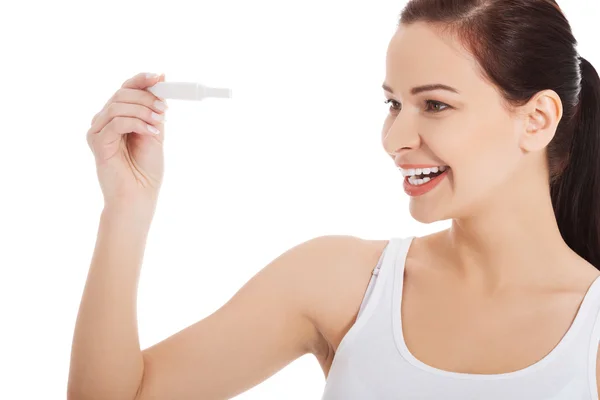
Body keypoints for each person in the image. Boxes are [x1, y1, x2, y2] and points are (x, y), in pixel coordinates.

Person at [67, 0, 600, 398]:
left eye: (435, 105)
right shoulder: (341, 283)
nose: (394, 140)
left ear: (537, 120)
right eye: (393, 104)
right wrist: (126, 206)